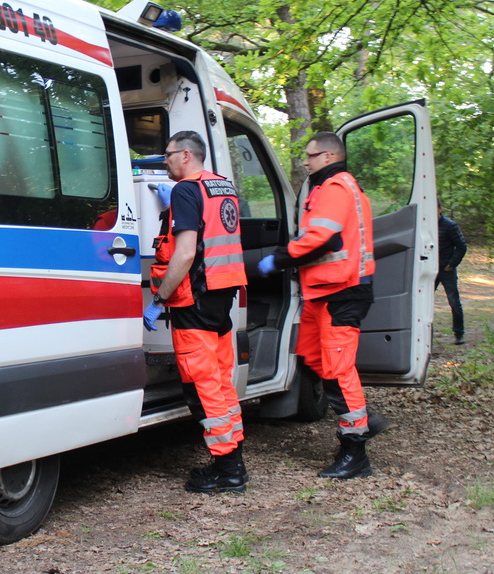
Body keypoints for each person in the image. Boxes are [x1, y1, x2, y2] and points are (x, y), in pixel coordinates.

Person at [257, 132, 386, 479]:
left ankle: (355, 449)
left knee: (337, 370)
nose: (305, 161)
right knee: (312, 357)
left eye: (310, 156)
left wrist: (280, 259)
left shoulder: (336, 188)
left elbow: (322, 238)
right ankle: (363, 419)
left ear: (328, 157)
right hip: (324, 293)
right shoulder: (329, 188)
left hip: (342, 293)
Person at [143, 131, 249, 493]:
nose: (165, 162)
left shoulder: (187, 191)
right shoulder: (223, 187)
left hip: (194, 298)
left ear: (186, 155)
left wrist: (159, 300)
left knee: (201, 385)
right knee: (220, 379)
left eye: (168, 156)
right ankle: (234, 457)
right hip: (222, 296)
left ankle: (228, 470)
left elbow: (185, 253)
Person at [436, 203, 467, 344]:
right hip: (429, 268)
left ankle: (458, 334)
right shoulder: (424, 224)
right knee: (422, 302)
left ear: (440, 209)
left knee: (454, 302)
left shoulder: (450, 225)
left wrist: (451, 264)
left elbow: (461, 246)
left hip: (446, 269)